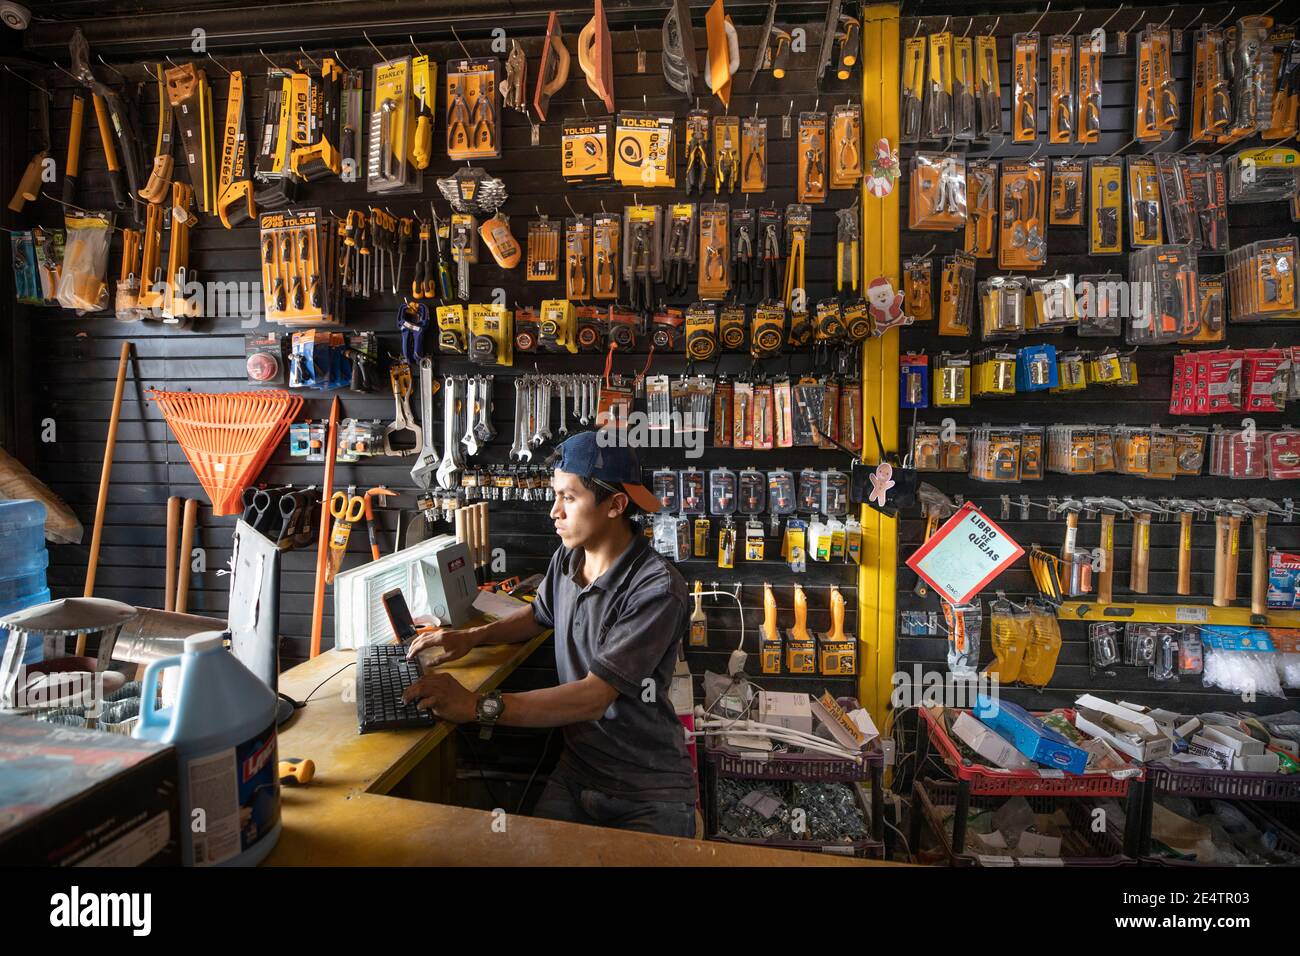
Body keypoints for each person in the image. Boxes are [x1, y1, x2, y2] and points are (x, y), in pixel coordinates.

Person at [401, 429, 696, 837]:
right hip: (578, 771)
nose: (553, 512)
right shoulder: (567, 558)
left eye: (568, 498)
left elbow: (594, 697)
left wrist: (477, 706)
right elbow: (539, 615)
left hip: (646, 789)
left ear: (616, 505)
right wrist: (469, 639)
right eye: (555, 495)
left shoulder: (656, 589)